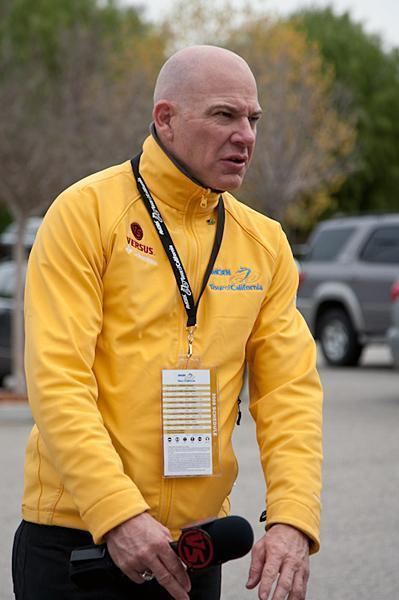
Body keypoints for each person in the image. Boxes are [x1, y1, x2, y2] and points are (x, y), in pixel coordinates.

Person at [12, 45, 322, 600]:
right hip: (80, 544)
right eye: (224, 115)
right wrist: (118, 512)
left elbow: (289, 394)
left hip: (196, 551)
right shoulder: (85, 213)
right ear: (166, 119)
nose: (246, 136)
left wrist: (293, 519)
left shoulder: (266, 243)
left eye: (252, 119)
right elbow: (58, 380)